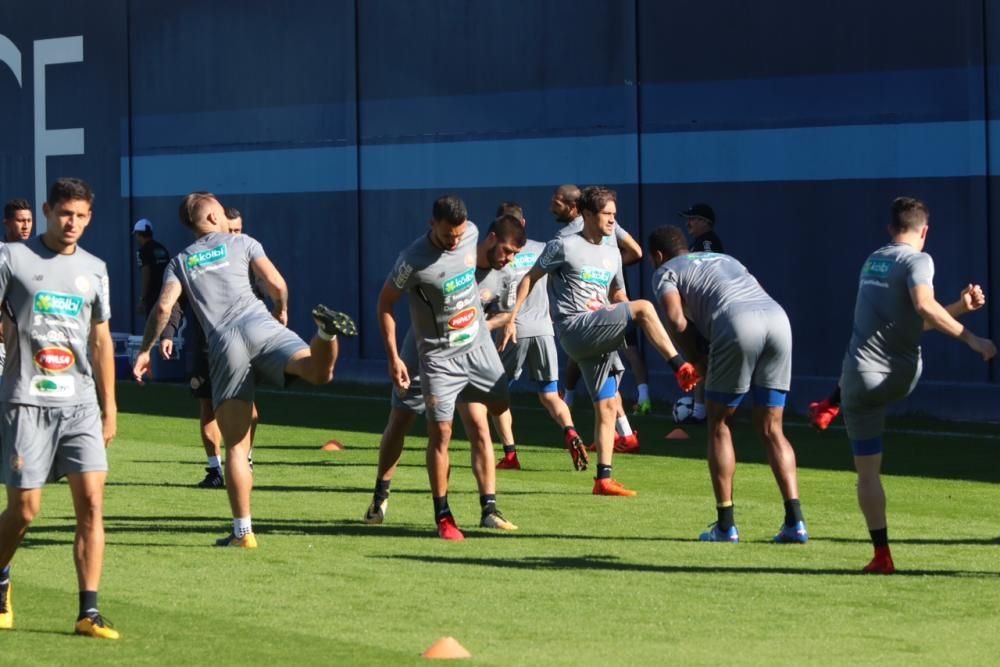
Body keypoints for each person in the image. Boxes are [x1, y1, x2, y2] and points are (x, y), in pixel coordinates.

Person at [132, 191, 357, 549]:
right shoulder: (244, 243)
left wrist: (145, 350)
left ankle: (243, 533)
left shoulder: (180, 262)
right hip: (261, 324)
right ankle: (325, 333)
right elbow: (277, 284)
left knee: (236, 446)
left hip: (224, 344)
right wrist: (281, 310)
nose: (226, 219)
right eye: (220, 212)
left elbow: (162, 309)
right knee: (316, 371)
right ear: (209, 219)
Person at [502, 186, 699, 496]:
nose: (612, 221)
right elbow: (529, 278)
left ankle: (603, 479)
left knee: (607, 405)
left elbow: (617, 294)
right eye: (607, 215)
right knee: (645, 307)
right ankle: (681, 366)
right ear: (587, 215)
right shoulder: (563, 245)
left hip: (598, 330)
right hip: (574, 327)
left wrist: (622, 310)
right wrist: (511, 318)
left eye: (615, 215)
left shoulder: (611, 252)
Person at [837, 197, 995, 573]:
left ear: (891, 229)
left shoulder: (873, 260)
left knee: (868, 473)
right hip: (900, 375)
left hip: (857, 380)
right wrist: (973, 338)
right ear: (924, 231)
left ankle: (881, 554)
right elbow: (923, 310)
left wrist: (955, 308)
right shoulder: (919, 259)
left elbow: (919, 315)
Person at [0, 178, 119, 638]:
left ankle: (88, 612)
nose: (72, 223)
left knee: (91, 503)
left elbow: (102, 339)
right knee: (25, 511)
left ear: (89, 218)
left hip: (81, 405)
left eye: (81, 216)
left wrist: (109, 407)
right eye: (64, 214)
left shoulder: (96, 268)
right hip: (26, 401)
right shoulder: (13, 258)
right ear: (48, 211)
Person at [364, 214, 531, 524]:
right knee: (401, 421)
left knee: (481, 425)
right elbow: (389, 299)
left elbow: (503, 313)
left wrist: (483, 323)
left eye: (515, 255)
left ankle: (489, 509)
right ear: (491, 238)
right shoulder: (441, 253)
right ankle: (380, 497)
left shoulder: (503, 274)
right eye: (507, 251)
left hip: (470, 356)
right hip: (424, 354)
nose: (509, 260)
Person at [648, 225, 807, 544]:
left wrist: (694, 359)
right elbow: (758, 289)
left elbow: (676, 319)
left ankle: (725, 526)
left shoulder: (665, 270)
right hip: (777, 319)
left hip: (736, 323)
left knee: (719, 424)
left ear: (657, 256)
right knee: (773, 429)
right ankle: (796, 523)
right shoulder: (725, 258)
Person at [158, 206, 260, 488]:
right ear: (219, 225)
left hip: (241, 346)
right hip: (205, 346)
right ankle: (215, 470)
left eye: (240, 230)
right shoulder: (194, 260)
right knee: (208, 406)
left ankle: (244, 460)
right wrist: (168, 332)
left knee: (251, 411)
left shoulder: (246, 257)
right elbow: (176, 302)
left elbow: (262, 296)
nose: (237, 234)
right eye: (233, 229)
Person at [490, 203, 585, 470]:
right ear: (524, 223)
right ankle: (570, 431)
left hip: (513, 329)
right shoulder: (545, 248)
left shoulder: (499, 252)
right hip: (544, 329)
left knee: (498, 396)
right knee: (550, 394)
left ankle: (510, 455)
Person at [550, 185, 644, 452]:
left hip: (592, 314)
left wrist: (601, 271)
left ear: (574, 207)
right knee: (603, 380)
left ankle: (624, 436)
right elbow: (636, 252)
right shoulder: (606, 230)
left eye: (556, 203)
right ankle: (618, 441)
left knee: (604, 379)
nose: (551, 208)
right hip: (602, 310)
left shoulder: (567, 237)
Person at [676, 203, 725, 426]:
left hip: (705, 312)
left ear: (706, 223)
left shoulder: (708, 243)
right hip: (697, 311)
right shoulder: (696, 243)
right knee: (698, 360)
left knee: (704, 360)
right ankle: (699, 410)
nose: (689, 224)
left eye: (694, 219)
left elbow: (707, 271)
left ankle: (703, 411)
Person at [0, 199, 34, 377]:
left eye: (29, 220)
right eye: (20, 221)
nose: (26, 226)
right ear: (7, 223)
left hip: (28, 340)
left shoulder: (37, 255)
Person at [132, 218, 170, 318]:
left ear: (138, 234)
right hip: (167, 294)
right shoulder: (162, 248)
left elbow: (146, 274)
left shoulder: (142, 251)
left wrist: (143, 299)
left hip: (153, 298)